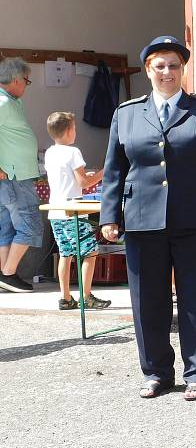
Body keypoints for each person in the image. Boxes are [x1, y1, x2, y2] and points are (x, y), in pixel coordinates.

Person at [100, 36, 196, 400]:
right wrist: (109, 216)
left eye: (173, 65)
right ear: (148, 70)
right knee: (147, 301)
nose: (167, 72)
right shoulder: (126, 113)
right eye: (159, 66)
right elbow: (114, 169)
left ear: (183, 69)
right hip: (143, 219)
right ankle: (157, 372)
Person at [44, 111, 110, 310]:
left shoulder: (50, 152)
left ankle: (65, 297)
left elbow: (68, 178)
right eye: (74, 128)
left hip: (56, 209)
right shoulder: (73, 152)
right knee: (90, 252)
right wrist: (104, 172)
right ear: (67, 132)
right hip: (74, 211)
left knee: (65, 253)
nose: (76, 132)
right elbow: (84, 182)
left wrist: (83, 175)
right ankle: (86, 295)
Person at [0, 57, 43, 293]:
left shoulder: (11, 101)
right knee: (30, 224)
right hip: (15, 176)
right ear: (16, 79)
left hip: (16, 176)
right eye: (26, 81)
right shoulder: (2, 102)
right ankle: (8, 274)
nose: (27, 85)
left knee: (6, 225)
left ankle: (4, 275)